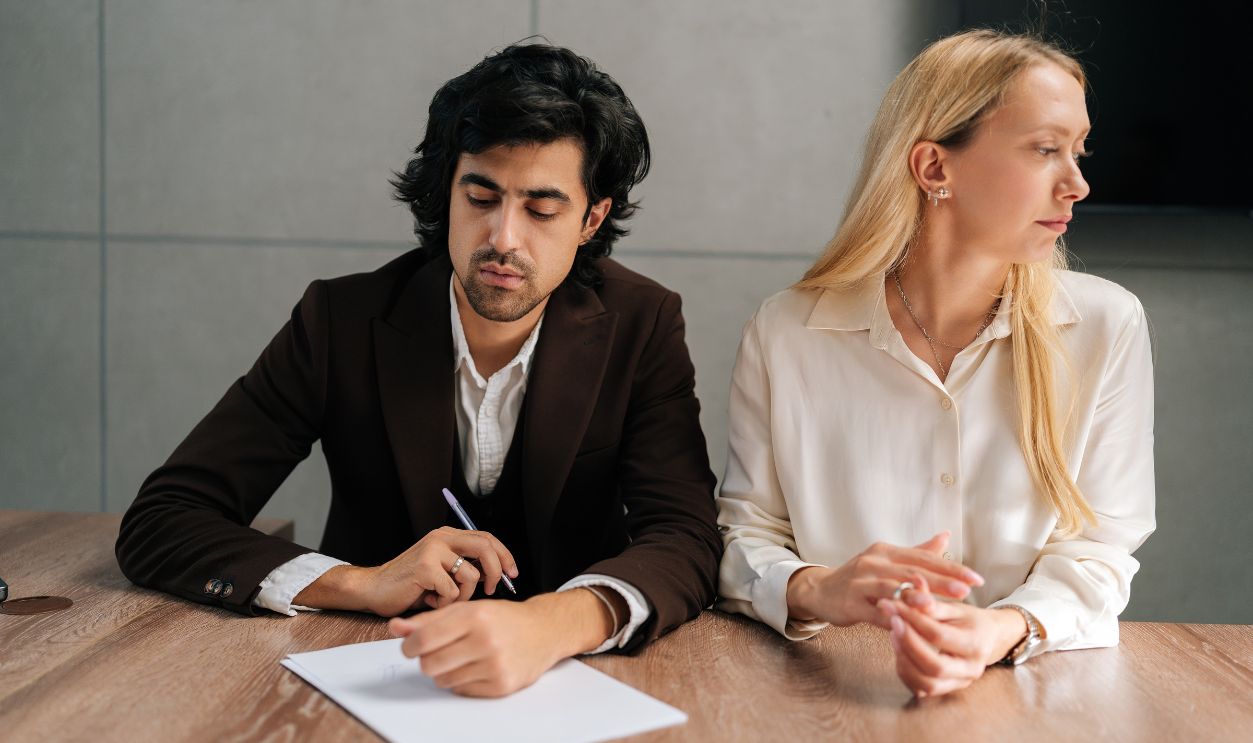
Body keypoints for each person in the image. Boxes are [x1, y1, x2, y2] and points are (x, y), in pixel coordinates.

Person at [116, 42, 721, 698]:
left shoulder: (641, 323)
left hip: (569, 682)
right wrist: (360, 580)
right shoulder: (339, 320)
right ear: (446, 193)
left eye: (541, 210)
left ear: (590, 218)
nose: (503, 238)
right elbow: (163, 518)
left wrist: (551, 622)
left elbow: (686, 535)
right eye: (480, 196)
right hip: (366, 674)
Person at [716, 29, 1155, 698]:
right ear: (933, 168)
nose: (1077, 184)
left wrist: (998, 629)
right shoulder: (787, 331)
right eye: (1045, 150)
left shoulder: (1106, 325)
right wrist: (818, 589)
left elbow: (1100, 550)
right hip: (825, 694)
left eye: (1077, 151)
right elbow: (742, 538)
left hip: (1036, 690)